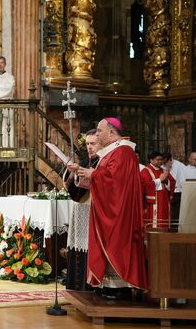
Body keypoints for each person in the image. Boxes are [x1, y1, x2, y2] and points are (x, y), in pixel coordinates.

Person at [77, 117, 147, 298]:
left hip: (118, 211)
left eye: (99, 131)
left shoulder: (123, 152)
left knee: (116, 245)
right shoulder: (114, 152)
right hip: (111, 207)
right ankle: (108, 285)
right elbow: (108, 176)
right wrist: (89, 174)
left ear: (112, 132)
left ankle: (119, 287)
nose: (97, 134)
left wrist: (94, 174)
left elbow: (115, 182)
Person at [64, 129, 100, 291]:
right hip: (79, 210)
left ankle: (87, 288)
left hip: (92, 211)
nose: (90, 147)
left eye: (93, 144)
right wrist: (72, 173)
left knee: (88, 247)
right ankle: (75, 287)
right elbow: (71, 186)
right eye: (87, 144)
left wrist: (82, 175)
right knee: (78, 247)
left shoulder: (103, 162)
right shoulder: (86, 161)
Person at [141, 151, 176, 229]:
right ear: (151, 160)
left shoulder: (163, 170)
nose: (160, 161)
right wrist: (160, 180)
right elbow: (145, 186)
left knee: (164, 219)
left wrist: (167, 181)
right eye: (158, 159)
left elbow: (172, 182)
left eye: (161, 159)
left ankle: (165, 236)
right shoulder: (146, 170)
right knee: (155, 222)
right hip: (154, 201)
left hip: (164, 199)